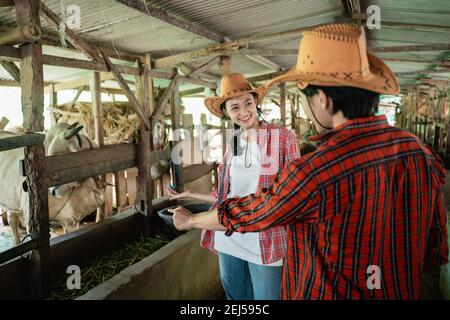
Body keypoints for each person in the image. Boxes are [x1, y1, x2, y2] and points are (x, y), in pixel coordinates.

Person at [183, 24, 448, 299]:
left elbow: (264, 210)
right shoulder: (421, 153)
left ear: (322, 99)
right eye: (234, 107)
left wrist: (192, 221)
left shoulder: (315, 171)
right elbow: (436, 247)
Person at [168, 73, 300, 300]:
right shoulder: (234, 141)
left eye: (248, 103)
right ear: (227, 113)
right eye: (235, 107)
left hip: (264, 238)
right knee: (235, 299)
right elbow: (229, 194)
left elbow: (293, 193)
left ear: (255, 102)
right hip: (228, 237)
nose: (244, 111)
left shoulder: (282, 138)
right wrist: (191, 194)